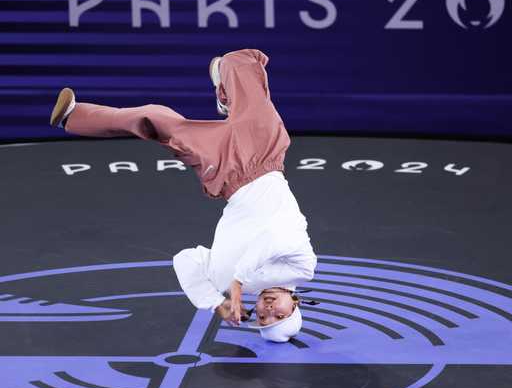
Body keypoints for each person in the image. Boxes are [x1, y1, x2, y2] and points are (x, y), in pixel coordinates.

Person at [49, 49, 317, 343]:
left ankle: (73, 116)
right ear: (296, 305)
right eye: (280, 314)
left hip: (226, 172)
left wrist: (215, 302)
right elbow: (272, 240)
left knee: (158, 122)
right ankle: (227, 94)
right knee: (239, 62)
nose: (269, 311)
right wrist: (238, 282)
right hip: (266, 153)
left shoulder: (224, 284)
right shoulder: (303, 269)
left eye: (264, 318)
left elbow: (186, 260)